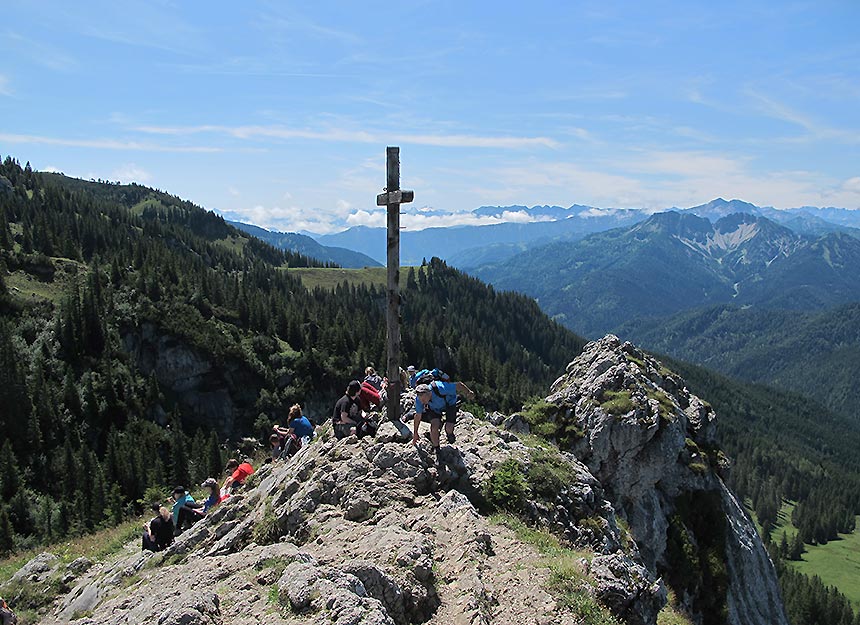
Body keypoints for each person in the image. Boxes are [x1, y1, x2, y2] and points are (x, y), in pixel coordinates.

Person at [412, 379, 476, 454]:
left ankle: (450, 434)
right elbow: (418, 416)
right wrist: (415, 433)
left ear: (429, 393)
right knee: (434, 427)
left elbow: (459, 385)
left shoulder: (440, 388)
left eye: (423, 399)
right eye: (420, 399)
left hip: (449, 403)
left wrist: (468, 392)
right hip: (434, 408)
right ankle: (437, 450)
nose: (422, 402)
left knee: (448, 428)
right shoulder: (419, 399)